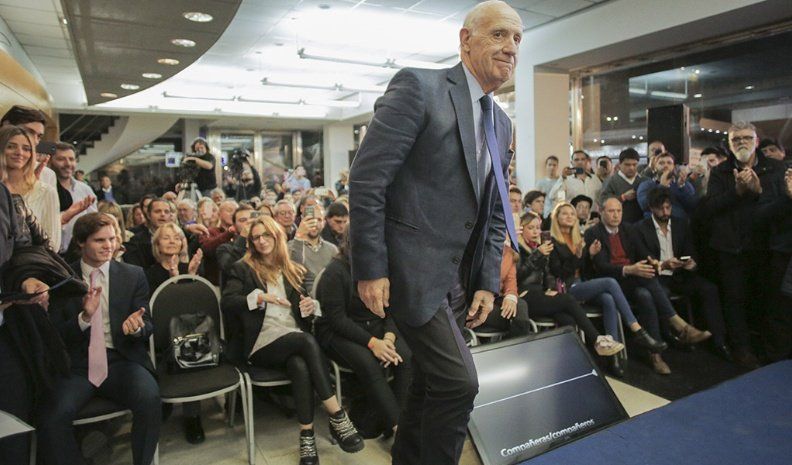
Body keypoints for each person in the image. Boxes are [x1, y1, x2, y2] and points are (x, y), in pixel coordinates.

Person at [349, 2, 522, 463]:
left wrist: (487, 280)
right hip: (409, 271)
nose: (511, 47)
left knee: (430, 383)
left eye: (517, 39)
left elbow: (495, 210)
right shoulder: (419, 87)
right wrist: (370, 268)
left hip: (459, 280)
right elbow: (367, 180)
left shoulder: (502, 123)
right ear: (466, 40)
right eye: (499, 34)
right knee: (458, 383)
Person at [221, 217, 364, 464]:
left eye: (266, 235)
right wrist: (259, 298)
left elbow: (303, 312)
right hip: (260, 343)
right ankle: (337, 414)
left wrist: (311, 307)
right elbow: (227, 301)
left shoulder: (292, 268)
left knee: (299, 364)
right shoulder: (242, 268)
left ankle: (307, 437)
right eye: (256, 237)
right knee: (305, 342)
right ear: (251, 242)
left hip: (291, 338)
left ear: (277, 236)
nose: (261, 241)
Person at [39, 213, 160, 465]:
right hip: (77, 365)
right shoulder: (62, 279)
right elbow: (55, 335)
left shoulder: (133, 275)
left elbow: (147, 324)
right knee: (53, 417)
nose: (109, 246)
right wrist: (84, 317)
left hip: (121, 359)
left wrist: (135, 328)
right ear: (81, 242)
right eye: (99, 240)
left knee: (149, 399)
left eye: (112, 239)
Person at [698, 122, 790, 367]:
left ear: (756, 142)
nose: (742, 142)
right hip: (731, 247)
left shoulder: (775, 168)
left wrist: (758, 192)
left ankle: (767, 349)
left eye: (747, 138)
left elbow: (781, 205)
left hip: (766, 247)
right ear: (729, 145)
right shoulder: (721, 171)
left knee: (766, 300)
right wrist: (737, 191)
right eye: (736, 139)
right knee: (734, 301)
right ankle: (742, 350)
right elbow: (710, 208)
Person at [586, 198, 711, 374]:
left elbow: (643, 253)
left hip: (633, 279)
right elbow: (601, 266)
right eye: (611, 211)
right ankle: (679, 325)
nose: (616, 215)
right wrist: (629, 269)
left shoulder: (629, 229)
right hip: (611, 282)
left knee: (645, 294)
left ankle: (656, 354)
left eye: (619, 211)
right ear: (602, 212)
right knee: (647, 279)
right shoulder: (593, 232)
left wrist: (653, 262)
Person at [548, 202, 664, 376]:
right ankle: (637, 329)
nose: (569, 217)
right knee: (610, 282)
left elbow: (584, 269)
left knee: (608, 299)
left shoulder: (579, 238)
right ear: (556, 218)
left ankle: (613, 356)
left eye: (572, 214)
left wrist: (590, 255)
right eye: (564, 214)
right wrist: (578, 256)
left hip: (583, 283)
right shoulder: (552, 241)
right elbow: (559, 272)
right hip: (566, 288)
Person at [315, 231, 411, 439]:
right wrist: (373, 343)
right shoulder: (335, 271)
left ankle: (397, 420)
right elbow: (337, 319)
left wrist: (388, 338)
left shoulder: (384, 270)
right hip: (337, 332)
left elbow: (394, 310)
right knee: (368, 362)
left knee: (404, 356)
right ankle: (399, 431)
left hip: (374, 326)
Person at [632, 187, 730, 360]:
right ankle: (671, 337)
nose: (665, 212)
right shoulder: (640, 228)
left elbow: (691, 251)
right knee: (659, 293)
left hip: (680, 275)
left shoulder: (681, 224)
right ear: (652, 208)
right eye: (661, 208)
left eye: (668, 207)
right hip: (657, 277)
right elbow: (644, 258)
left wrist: (691, 263)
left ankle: (719, 340)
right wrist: (664, 264)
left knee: (709, 289)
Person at [516, 211, 624, 355]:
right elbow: (517, 276)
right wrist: (537, 255)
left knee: (567, 319)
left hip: (540, 294)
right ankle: (597, 339)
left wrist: (550, 288)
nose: (536, 232)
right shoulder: (517, 249)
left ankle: (571, 359)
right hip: (524, 296)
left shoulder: (538, 247)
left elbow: (548, 274)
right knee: (567, 299)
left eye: (537, 228)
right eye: (531, 228)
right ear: (521, 230)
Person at [144, 222, 205, 443]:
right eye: (166, 237)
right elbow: (155, 311)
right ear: (157, 244)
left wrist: (190, 276)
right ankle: (164, 401)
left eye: (177, 237)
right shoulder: (148, 274)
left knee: (188, 346)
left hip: (189, 333)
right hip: (159, 335)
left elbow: (199, 311)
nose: (172, 241)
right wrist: (172, 278)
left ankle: (192, 416)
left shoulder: (191, 267)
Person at [0, 125, 61, 251]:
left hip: (29, 262)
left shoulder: (46, 192)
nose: (19, 152)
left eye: (26, 149)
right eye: (11, 146)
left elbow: (52, 245)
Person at [50, 142, 97, 253]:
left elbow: (94, 224)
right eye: (61, 159)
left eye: (71, 159)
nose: (68, 164)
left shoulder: (85, 190)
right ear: (50, 161)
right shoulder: (42, 189)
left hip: (79, 254)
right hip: (49, 253)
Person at [1, 105, 57, 187]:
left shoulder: (46, 175)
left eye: (39, 136)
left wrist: (32, 188)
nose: (35, 141)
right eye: (29, 132)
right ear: (6, 126)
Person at [637, 152, 698, 220]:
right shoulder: (646, 184)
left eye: (669, 163)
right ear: (655, 167)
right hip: (655, 224)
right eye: (661, 163)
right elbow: (644, 205)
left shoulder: (683, 184)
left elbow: (692, 205)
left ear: (674, 167)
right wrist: (662, 186)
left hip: (679, 224)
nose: (665, 165)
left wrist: (682, 186)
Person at [289, 204, 338, 279]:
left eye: (319, 220)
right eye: (311, 219)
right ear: (303, 221)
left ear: (324, 223)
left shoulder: (332, 249)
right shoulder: (291, 246)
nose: (315, 223)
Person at [599, 148, 647, 224]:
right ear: (619, 164)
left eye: (634, 164)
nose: (631, 168)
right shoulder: (611, 181)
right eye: (627, 165)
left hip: (641, 224)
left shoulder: (644, 180)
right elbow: (602, 201)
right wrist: (622, 197)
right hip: (618, 224)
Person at [547, 150, 603, 214]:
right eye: (576, 160)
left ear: (587, 161)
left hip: (591, 216)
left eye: (583, 159)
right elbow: (553, 196)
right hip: (573, 216)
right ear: (572, 162)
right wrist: (562, 177)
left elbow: (601, 199)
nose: (580, 162)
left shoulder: (595, 179)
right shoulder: (566, 179)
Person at [217, 205, 254, 277]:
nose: (249, 222)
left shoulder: (264, 244)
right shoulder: (225, 248)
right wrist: (243, 237)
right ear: (234, 226)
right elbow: (230, 269)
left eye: (251, 219)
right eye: (243, 220)